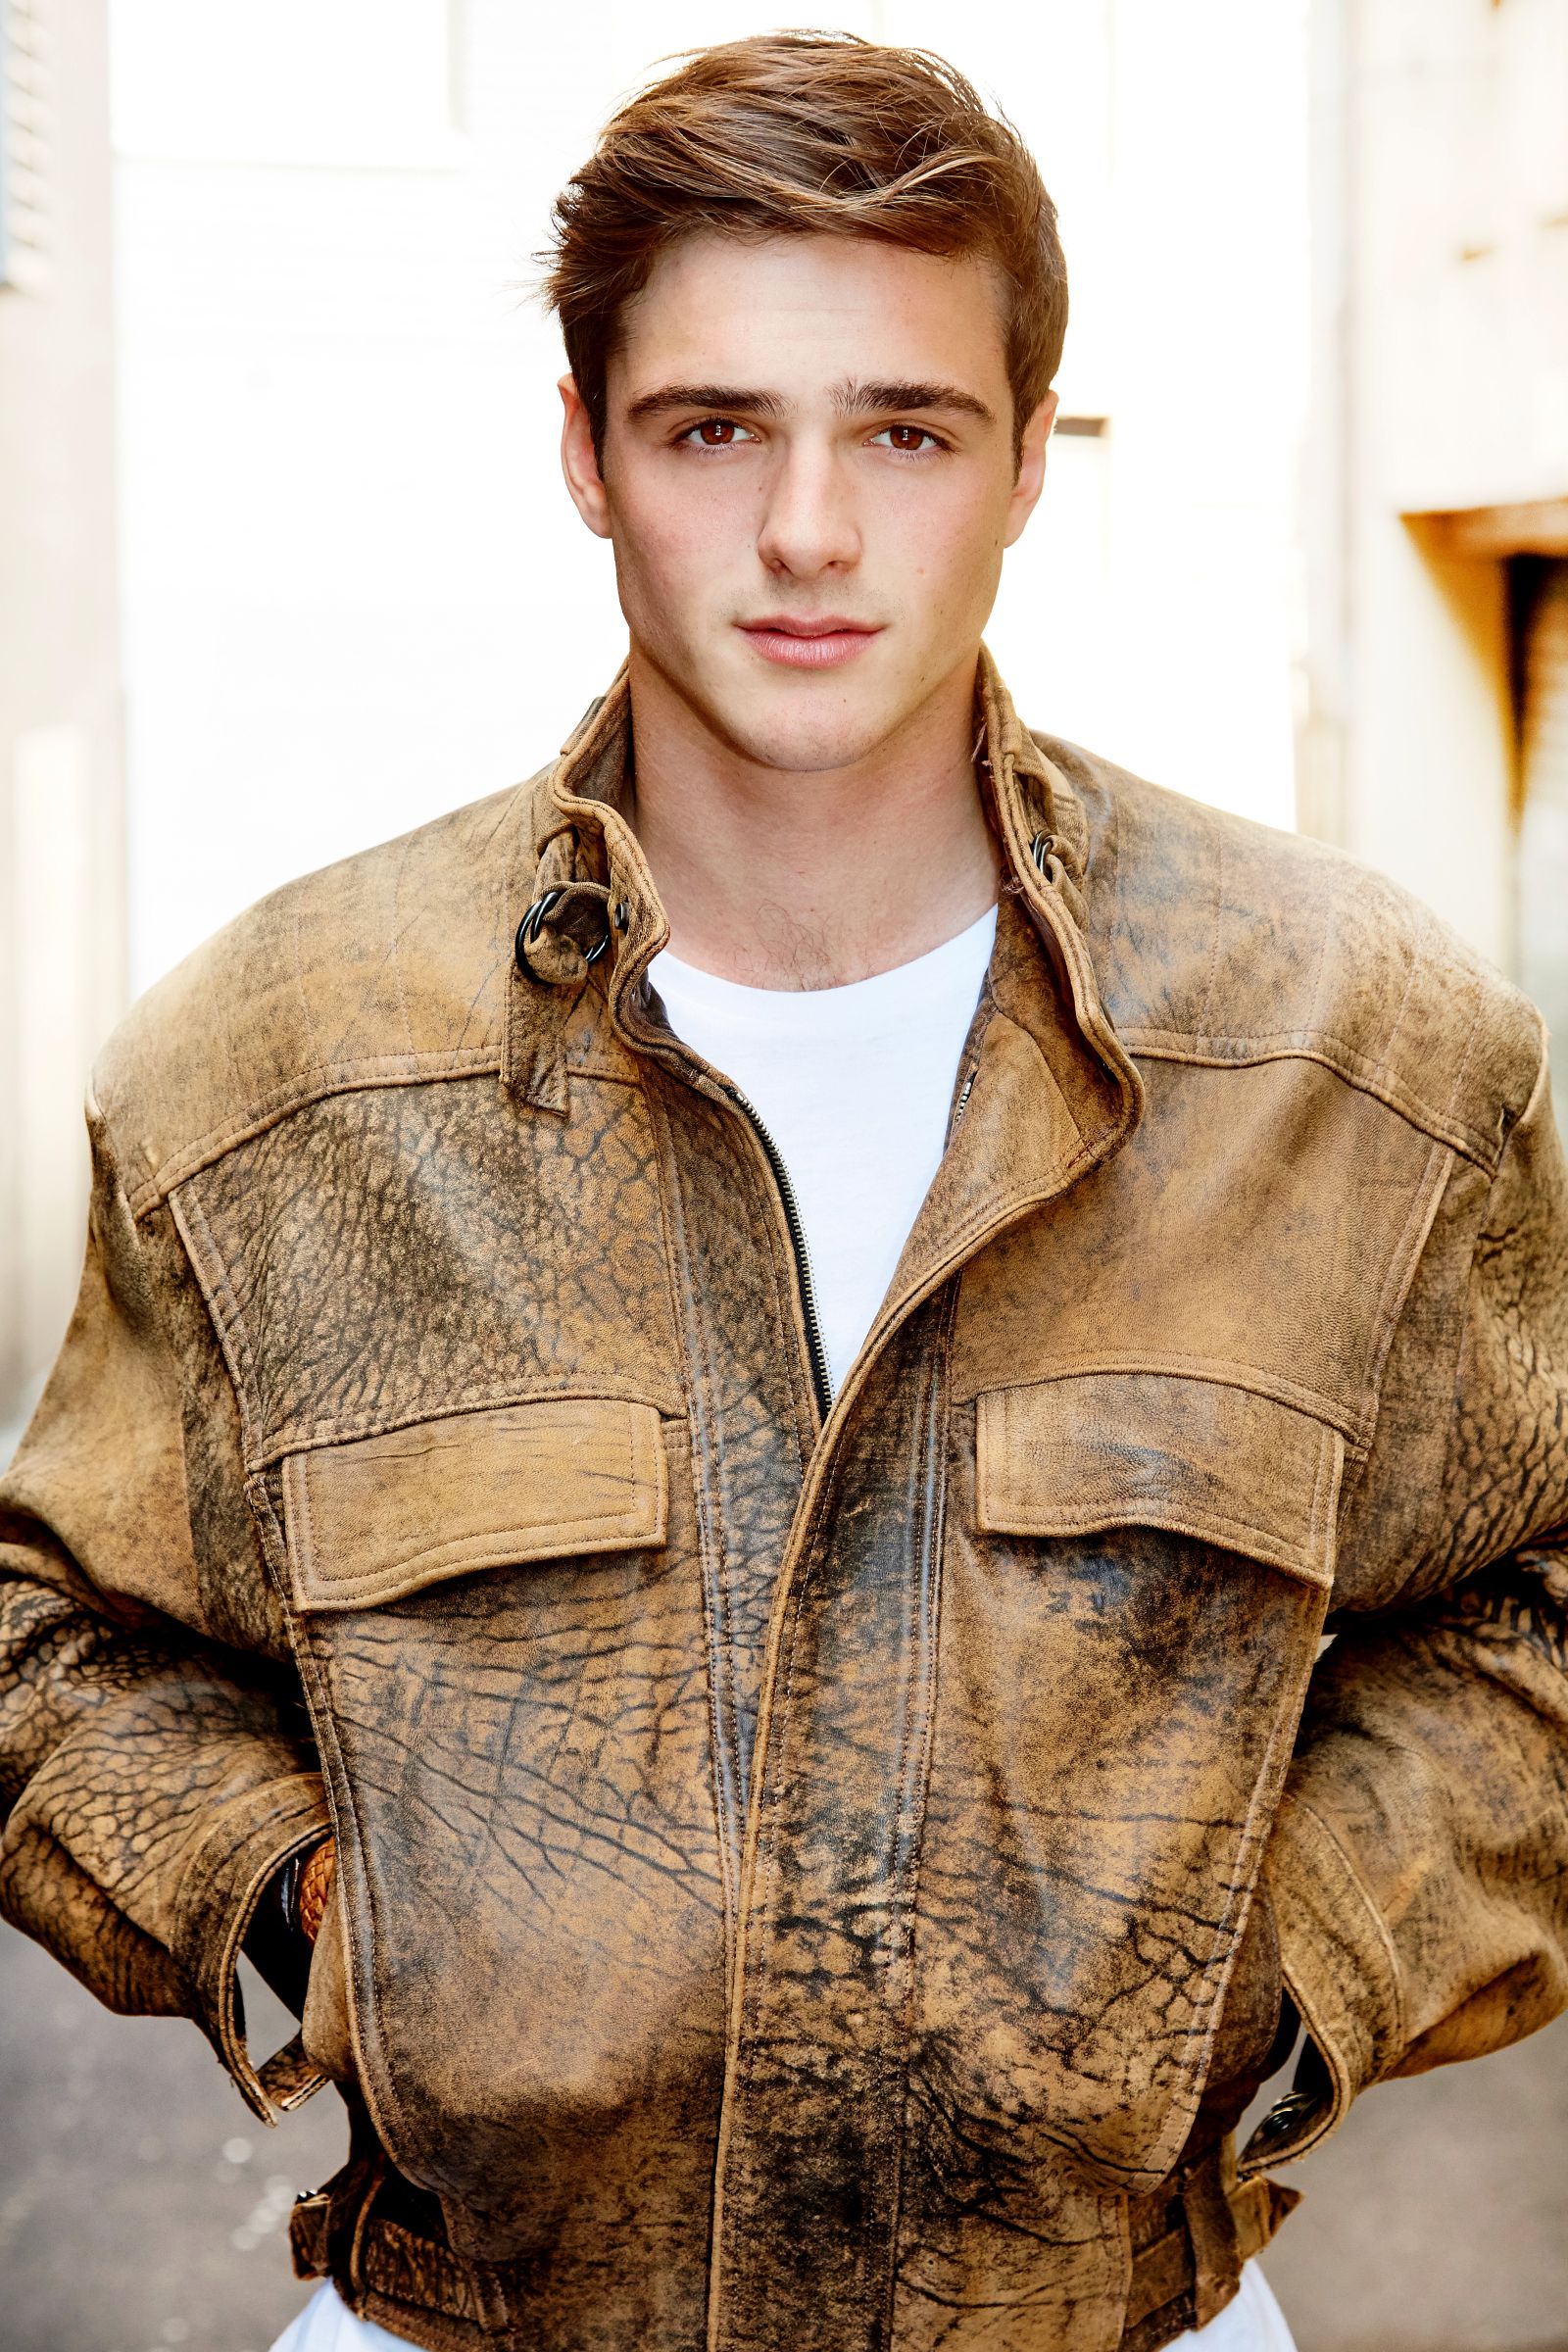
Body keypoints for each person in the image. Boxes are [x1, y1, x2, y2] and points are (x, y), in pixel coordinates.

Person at [2, 29, 1565, 2352]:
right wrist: (317, 1908)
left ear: (1027, 458)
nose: (808, 531)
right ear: (583, 452)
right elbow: (51, 1642)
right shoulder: (274, 1072)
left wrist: (1263, 1960)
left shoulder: (1354, 1053)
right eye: (711, 428)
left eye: (902, 431)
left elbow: (1532, 1609)